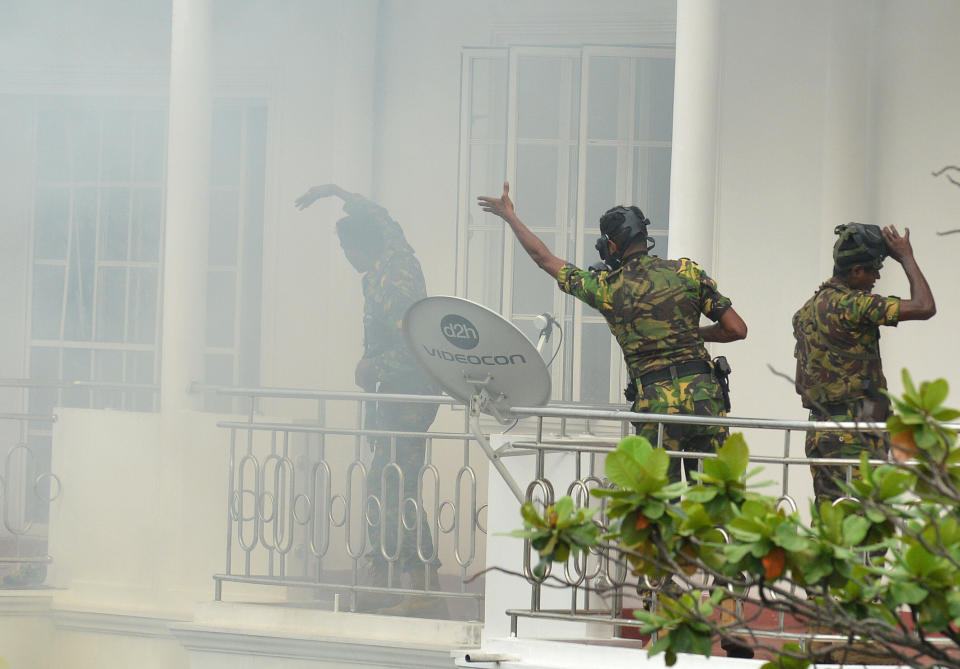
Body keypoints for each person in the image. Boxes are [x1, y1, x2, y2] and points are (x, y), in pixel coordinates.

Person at [478, 183, 747, 482]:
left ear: (613, 245)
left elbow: (544, 259)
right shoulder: (687, 273)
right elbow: (736, 329)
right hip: (705, 402)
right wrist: (691, 334)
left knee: (656, 512)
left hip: (656, 409)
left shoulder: (607, 287)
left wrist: (511, 217)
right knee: (719, 505)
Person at [295, 184, 443, 616]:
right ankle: (382, 576)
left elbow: (416, 344)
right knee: (381, 483)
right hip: (392, 397)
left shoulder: (396, 279)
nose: (348, 261)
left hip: (410, 395)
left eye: (347, 252)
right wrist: (334, 192)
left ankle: (424, 585)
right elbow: (381, 217)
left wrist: (371, 368)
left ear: (362, 248)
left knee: (400, 485)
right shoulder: (389, 250)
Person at [793, 223, 935, 503]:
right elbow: (924, 306)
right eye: (874, 270)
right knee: (867, 528)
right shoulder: (856, 305)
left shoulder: (805, 312)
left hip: (820, 432)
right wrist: (906, 257)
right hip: (857, 435)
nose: (877, 277)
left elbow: (800, 384)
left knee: (831, 527)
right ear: (856, 271)